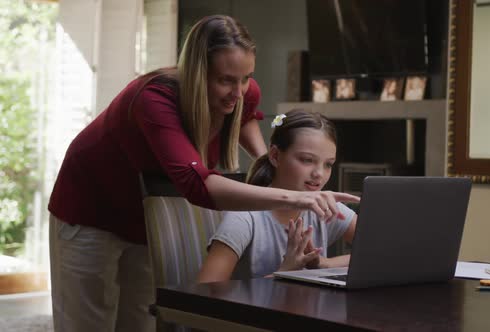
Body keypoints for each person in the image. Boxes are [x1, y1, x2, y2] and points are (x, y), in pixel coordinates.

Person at [48, 16, 359, 332]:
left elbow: (246, 115)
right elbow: (198, 186)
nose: (237, 92)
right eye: (225, 80)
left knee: (139, 321)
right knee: (89, 321)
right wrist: (297, 195)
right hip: (91, 208)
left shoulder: (241, 91)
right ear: (197, 72)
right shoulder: (153, 99)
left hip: (143, 214)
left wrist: (270, 162)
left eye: (246, 78)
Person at [198, 109, 357, 283]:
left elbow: (386, 253)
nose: (319, 173)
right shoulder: (244, 218)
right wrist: (284, 272)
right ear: (275, 156)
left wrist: (325, 264)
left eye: (328, 164)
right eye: (307, 160)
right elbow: (206, 290)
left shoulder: (325, 209)